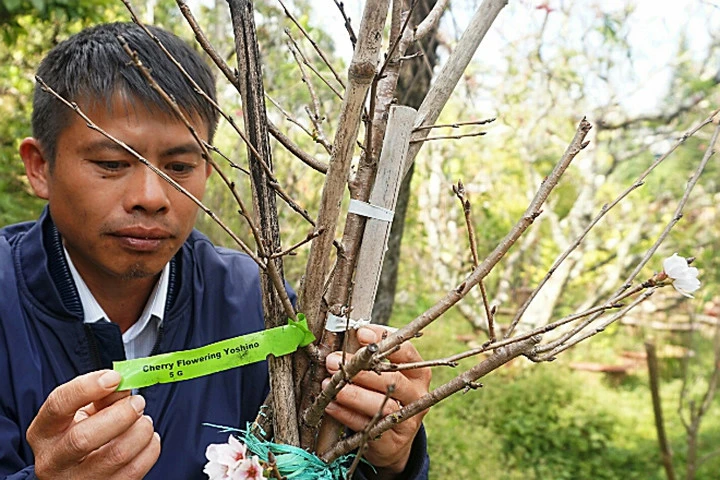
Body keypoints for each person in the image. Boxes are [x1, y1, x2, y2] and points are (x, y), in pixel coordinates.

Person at [0, 22, 431, 479]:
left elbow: (320, 459)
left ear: (208, 169)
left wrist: (390, 459)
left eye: (180, 165)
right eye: (111, 163)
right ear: (40, 167)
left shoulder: (254, 304)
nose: (152, 195)